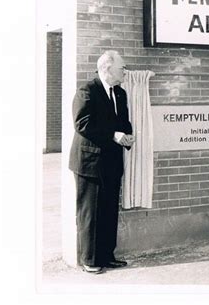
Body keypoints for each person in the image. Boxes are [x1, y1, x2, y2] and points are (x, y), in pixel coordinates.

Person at [69, 50, 135, 273]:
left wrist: (127, 135)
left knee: (108, 211)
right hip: (89, 164)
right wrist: (113, 135)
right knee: (91, 212)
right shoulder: (87, 91)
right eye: (122, 67)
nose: (125, 71)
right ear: (107, 68)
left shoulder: (121, 93)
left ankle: (107, 255)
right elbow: (83, 124)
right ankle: (90, 259)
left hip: (112, 162)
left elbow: (123, 122)